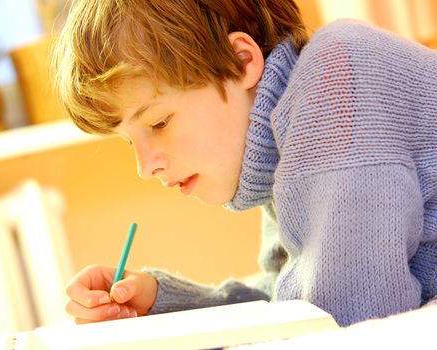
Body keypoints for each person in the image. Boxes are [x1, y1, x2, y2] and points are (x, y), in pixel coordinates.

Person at [52, 0, 437, 327]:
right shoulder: (283, 139)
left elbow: (346, 320)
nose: (145, 167)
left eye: (158, 123)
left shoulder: (334, 84)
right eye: (128, 142)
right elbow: (297, 301)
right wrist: (157, 301)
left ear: (240, 62)